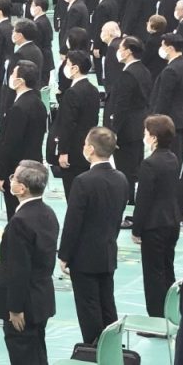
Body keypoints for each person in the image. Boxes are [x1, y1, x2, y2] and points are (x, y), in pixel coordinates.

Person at [57, 127, 127, 345]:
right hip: (107, 250)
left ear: (91, 148)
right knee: (107, 303)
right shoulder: (121, 179)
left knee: (88, 307)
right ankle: (111, 348)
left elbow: (73, 223)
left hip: (85, 256)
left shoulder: (83, 181)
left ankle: (93, 348)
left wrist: (64, 254)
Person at [0, 161, 59, 364]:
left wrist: (15, 308)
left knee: (23, 355)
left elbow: (18, 268)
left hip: (23, 304)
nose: (11, 181)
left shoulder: (20, 221)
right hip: (40, 297)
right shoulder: (48, 213)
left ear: (22, 188)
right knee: (37, 352)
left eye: (14, 178)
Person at [134, 114, 183, 323]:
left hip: (154, 225)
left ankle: (156, 319)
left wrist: (136, 229)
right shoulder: (173, 158)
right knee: (167, 268)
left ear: (153, 138)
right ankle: (171, 313)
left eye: (146, 133)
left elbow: (143, 199)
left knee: (153, 275)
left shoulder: (149, 164)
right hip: (171, 221)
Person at [0, 61, 48, 219]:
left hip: (17, 171)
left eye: (12, 74)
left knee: (15, 214)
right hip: (34, 166)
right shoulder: (39, 104)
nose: (10, 77)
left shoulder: (19, 108)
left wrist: (0, 174)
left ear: (20, 81)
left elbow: (10, 144)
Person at [106, 36, 153, 206]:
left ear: (128, 51)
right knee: (134, 166)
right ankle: (131, 197)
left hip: (126, 128)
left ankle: (126, 200)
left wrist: (114, 132)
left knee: (125, 167)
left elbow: (121, 106)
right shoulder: (144, 70)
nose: (118, 51)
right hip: (139, 124)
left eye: (121, 48)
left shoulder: (128, 74)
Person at [53, 51, 101, 199]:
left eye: (67, 64)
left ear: (75, 68)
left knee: (73, 194)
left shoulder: (72, 93)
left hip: (72, 151)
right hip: (86, 147)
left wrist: (63, 151)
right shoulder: (93, 89)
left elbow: (68, 124)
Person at [152, 33, 183, 160]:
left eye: (163, 45)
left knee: (169, 157)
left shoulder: (171, 70)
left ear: (170, 48)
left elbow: (164, 99)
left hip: (170, 123)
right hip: (182, 120)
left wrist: (155, 120)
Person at [0, 20, 44, 121]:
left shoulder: (19, 55)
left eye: (14, 31)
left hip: (17, 101)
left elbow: (13, 83)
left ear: (20, 35)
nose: (12, 34)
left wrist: (5, 107)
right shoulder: (37, 50)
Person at [92, 0, 120, 85]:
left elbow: (99, 27)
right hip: (112, 40)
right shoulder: (113, 2)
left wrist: (96, 46)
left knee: (102, 69)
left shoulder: (103, 6)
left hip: (103, 42)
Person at [29, 0, 55, 87]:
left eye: (32, 5)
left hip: (42, 60)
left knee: (40, 86)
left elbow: (37, 44)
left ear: (38, 8)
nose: (30, 8)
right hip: (46, 58)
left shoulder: (38, 23)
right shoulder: (44, 20)